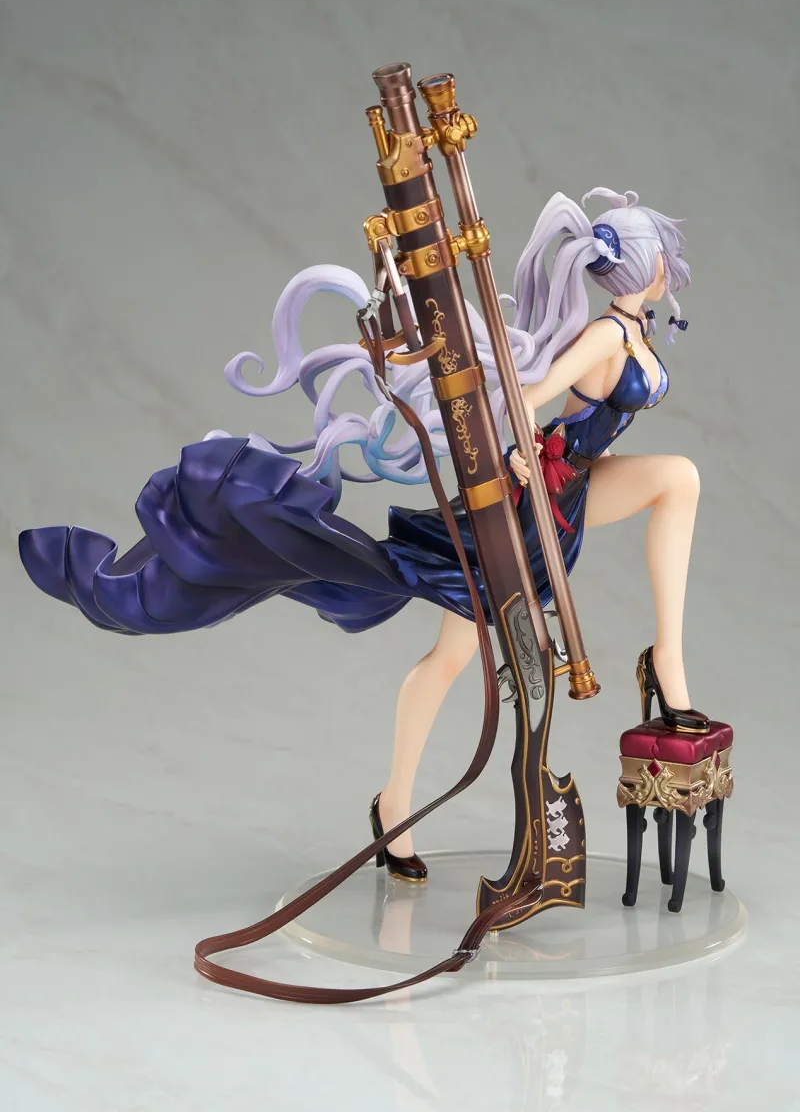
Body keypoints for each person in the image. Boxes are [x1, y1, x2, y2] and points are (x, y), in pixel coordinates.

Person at [18, 186, 704, 882]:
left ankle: (665, 663)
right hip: (532, 505)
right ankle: (394, 802)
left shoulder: (633, 331)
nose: (668, 270)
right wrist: (521, 449)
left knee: (678, 479)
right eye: (662, 257)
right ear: (646, 265)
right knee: (451, 658)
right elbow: (526, 398)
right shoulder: (607, 337)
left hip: (578, 485)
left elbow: (584, 414)